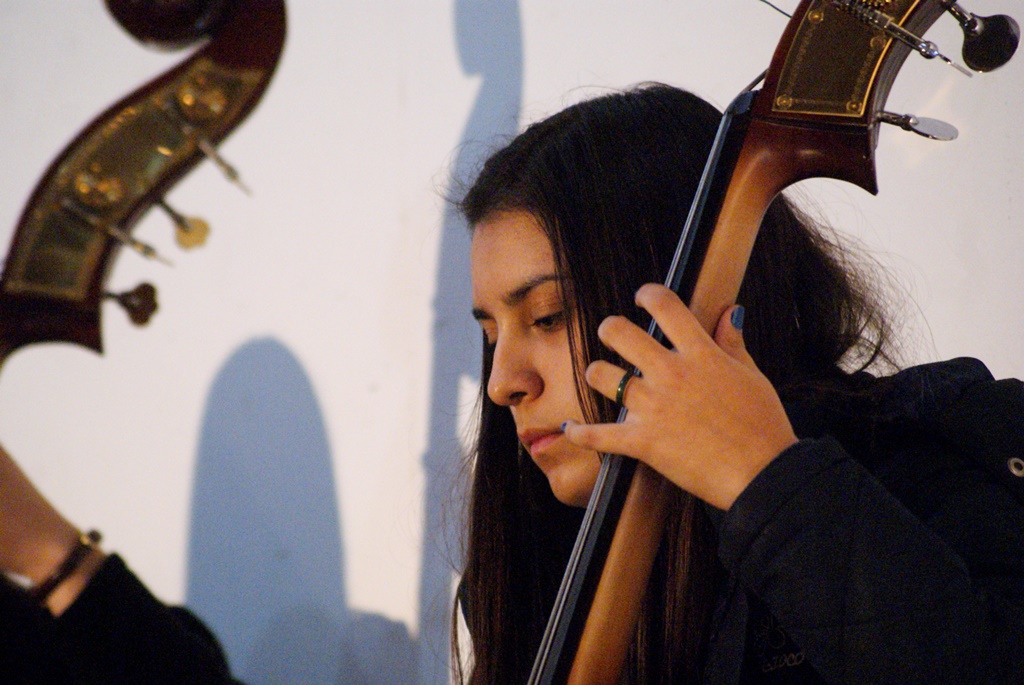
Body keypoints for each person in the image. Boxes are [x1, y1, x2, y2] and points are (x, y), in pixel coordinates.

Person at [453, 83, 1024, 685]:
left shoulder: (937, 477)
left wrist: (768, 483)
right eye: (491, 334)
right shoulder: (531, 580)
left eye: (547, 316)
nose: (501, 383)